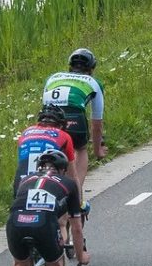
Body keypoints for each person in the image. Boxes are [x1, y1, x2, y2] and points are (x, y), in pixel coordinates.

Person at [4, 144, 85, 266]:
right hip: (43, 225)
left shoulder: (25, 180)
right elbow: (75, 227)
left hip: (16, 222)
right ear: (63, 170)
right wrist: (81, 255)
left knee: (20, 265)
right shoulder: (68, 183)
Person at [41, 48, 105, 191]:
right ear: (92, 69)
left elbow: (44, 104)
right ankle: (75, 195)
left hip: (49, 117)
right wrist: (97, 150)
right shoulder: (94, 82)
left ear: (69, 66)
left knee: (50, 149)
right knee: (80, 148)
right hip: (74, 117)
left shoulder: (53, 78)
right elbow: (97, 123)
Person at [14, 107, 75, 186]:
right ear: (60, 126)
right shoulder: (64, 135)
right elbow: (72, 175)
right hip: (46, 182)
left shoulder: (25, 132)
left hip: (21, 181)